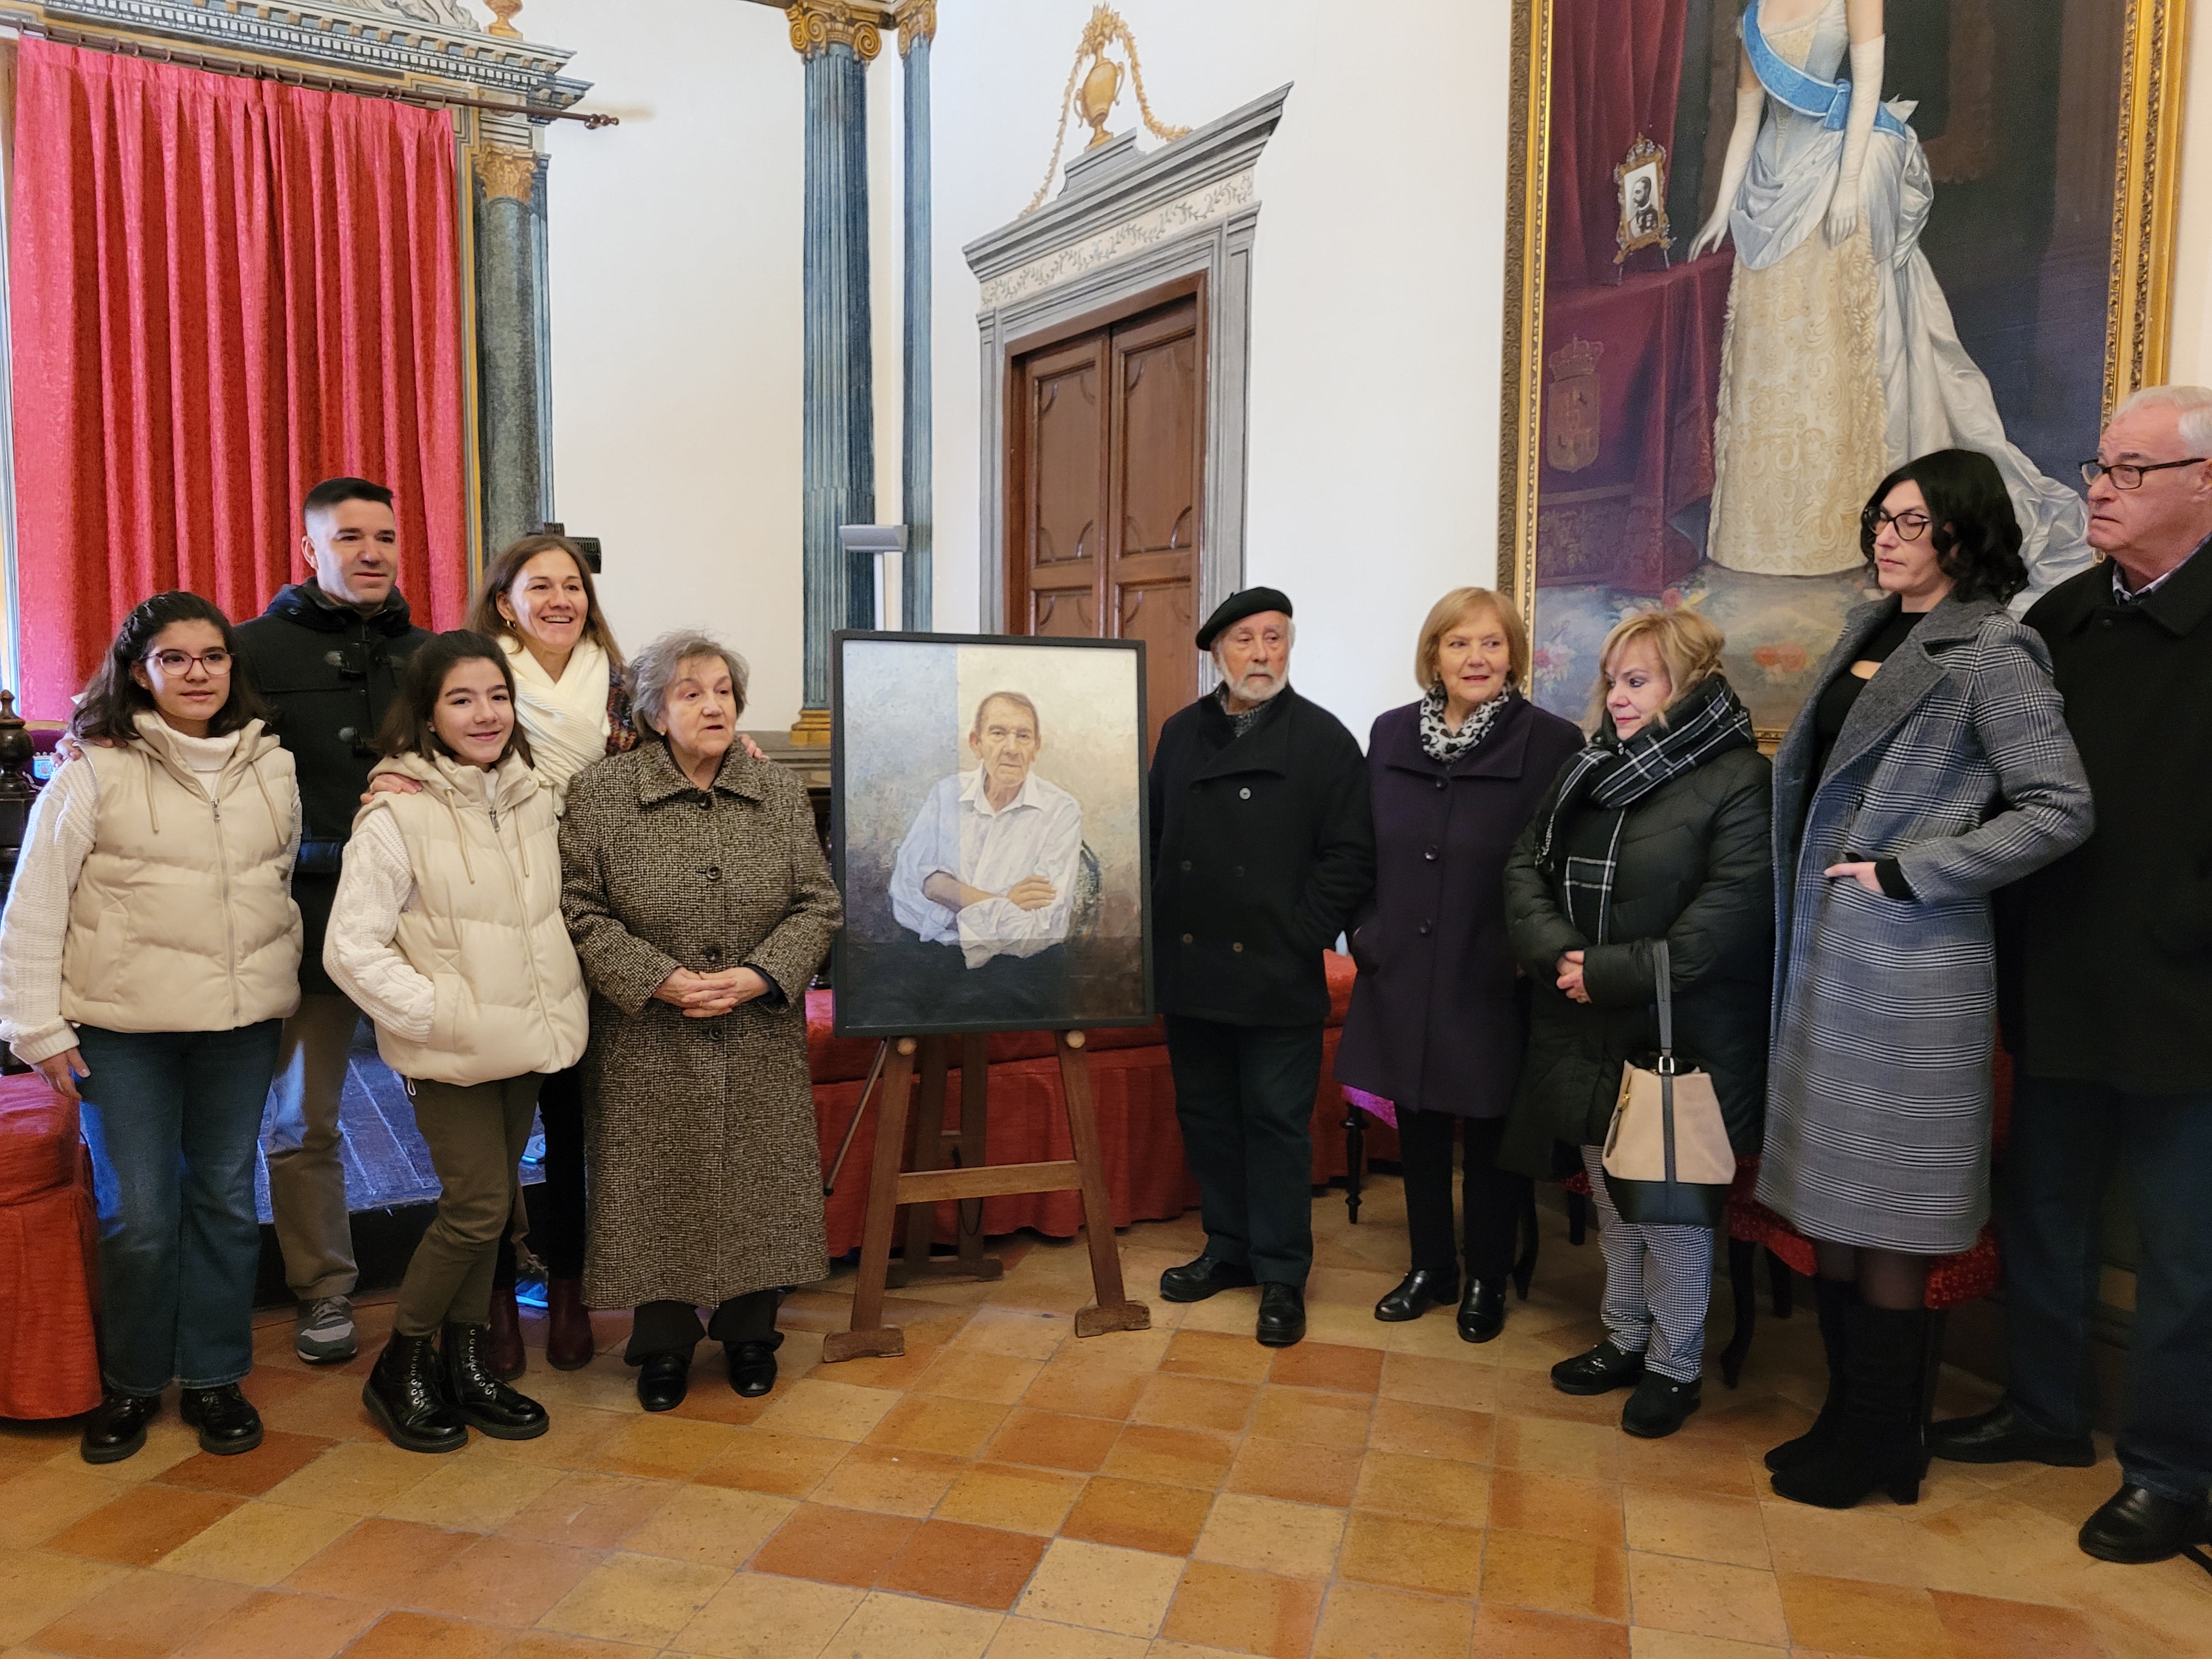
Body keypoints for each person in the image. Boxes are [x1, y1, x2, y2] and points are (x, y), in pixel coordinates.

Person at [1759, 449, 2093, 1509]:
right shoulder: (1867, 630)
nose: (1886, 537)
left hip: (1911, 963)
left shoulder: (1995, 647)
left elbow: (2057, 804)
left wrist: (1911, 870)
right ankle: (1851, 1421)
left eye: (1911, 521)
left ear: (1963, 530)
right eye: (1880, 520)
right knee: (1836, 1205)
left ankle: (1882, 1442)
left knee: (1889, 1211)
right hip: (1828, 957)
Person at [1933, 385, 2212, 1563]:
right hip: (2060, 980)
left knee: (2184, 1252)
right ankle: (2044, 1411)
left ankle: (2171, 1468)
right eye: (2099, 465)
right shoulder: (2062, 618)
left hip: (2188, 998)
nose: (2099, 486)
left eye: (2132, 470)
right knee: (2043, 1212)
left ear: (2204, 483)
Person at [0, 593, 300, 1464]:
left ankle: (214, 1376)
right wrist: (37, 1028)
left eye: (214, 656)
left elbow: (276, 882)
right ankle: (132, 1384)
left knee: (226, 1202)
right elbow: (34, 906)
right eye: (177, 659)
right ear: (141, 671)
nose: (199, 672)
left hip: (238, 1027)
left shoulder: (269, 767)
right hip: (122, 1030)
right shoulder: (93, 768)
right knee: (138, 1212)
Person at [1688, 0, 2087, 591]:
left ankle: (1835, 529)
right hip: (1766, 194)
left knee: (1831, 354)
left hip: (1832, 174)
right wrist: (1724, 208)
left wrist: (1849, 183)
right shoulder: (1753, 13)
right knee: (1771, 360)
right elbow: (1750, 118)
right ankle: (1761, 531)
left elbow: (1867, 84)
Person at [1501, 610, 1771, 1438]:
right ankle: (1623, 1336)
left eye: (1637, 681)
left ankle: (1674, 1365)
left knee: (1670, 1210)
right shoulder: (1591, 768)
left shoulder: (1738, 780)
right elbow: (1524, 870)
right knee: (1613, 1198)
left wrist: (1602, 973)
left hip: (1678, 1034)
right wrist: (1562, 959)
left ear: (1686, 683)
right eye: (1613, 681)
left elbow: (1724, 920)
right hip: (1587, 1022)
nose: (1617, 699)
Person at [560, 630, 842, 1410]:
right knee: (654, 1187)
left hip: (758, 1027)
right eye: (691, 692)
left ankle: (754, 1335)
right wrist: (658, 980)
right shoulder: (601, 795)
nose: (713, 704)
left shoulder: (777, 791)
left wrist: (760, 975)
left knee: (760, 1185)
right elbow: (579, 910)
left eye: (723, 690)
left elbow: (818, 903)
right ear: (654, 712)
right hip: (646, 1033)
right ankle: (664, 1347)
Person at [326, 631, 585, 1452]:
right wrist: (439, 1015)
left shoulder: (533, 796)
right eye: (462, 699)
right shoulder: (396, 811)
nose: (485, 714)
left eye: (498, 697)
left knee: (493, 1211)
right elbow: (351, 947)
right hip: (454, 1047)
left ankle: (464, 1363)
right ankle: (399, 1365)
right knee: (476, 1209)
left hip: (526, 1041)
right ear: (429, 715)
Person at [1336, 589, 1583, 1341]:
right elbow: (1359, 850)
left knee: (1489, 1135)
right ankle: (1429, 1268)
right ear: (1433, 656)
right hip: (1401, 967)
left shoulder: (1551, 742)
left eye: (1492, 644)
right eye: (1458, 644)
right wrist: (1367, 935)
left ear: (1513, 656)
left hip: (1490, 974)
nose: (1476, 659)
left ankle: (1485, 1279)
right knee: (1415, 1126)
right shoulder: (1386, 734)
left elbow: (1562, 862)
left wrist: (1524, 953)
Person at [233, 477, 431, 1365]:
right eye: (348, 536)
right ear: (309, 548)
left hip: (425, 927)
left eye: (384, 535)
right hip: (308, 928)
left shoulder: (435, 655)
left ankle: (485, 1266)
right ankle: (322, 1289)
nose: (371, 551)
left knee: (468, 1101)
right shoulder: (249, 652)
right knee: (304, 1119)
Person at [1150, 589, 1375, 1348]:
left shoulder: (1323, 741)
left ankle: (1282, 1273)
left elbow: (1351, 856)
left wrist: (1303, 933)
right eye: (1246, 640)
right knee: (1208, 1116)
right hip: (1190, 968)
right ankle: (1229, 1249)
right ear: (1219, 652)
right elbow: (1152, 843)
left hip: (1277, 973)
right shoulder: (1180, 735)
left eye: (1274, 639)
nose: (1262, 654)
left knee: (1277, 1124)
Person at [464, 533, 636, 1374]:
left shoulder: (624, 684)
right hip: (503, 907)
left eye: (573, 586)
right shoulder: (476, 680)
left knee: (573, 1124)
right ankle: (497, 1303)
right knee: (496, 1129)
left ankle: (569, 1293)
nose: (561, 600)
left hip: (597, 908)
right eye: (541, 587)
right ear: (506, 601)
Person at [883, 690, 1085, 1022]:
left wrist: (946, 891)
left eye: (1023, 736)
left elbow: (1041, 928)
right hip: (930, 957)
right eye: (998, 733)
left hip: (1019, 969)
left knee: (960, 1013)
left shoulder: (1060, 810)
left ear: (1036, 747)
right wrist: (1006, 902)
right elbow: (905, 895)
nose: (1011, 747)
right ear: (976, 743)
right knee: (879, 1012)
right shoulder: (946, 794)